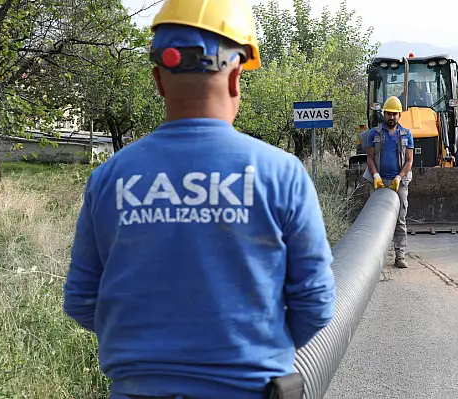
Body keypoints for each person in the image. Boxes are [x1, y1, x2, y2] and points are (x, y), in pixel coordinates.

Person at [62, 0, 336, 398]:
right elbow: (315, 302)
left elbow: (81, 300)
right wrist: (247, 353)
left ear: (158, 80)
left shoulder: (109, 178)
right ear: (236, 77)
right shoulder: (282, 173)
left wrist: (150, 354)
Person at [362, 96, 414, 268]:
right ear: (384, 114)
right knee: (376, 220)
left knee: (400, 219)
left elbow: (409, 161)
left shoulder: (407, 134)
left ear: (399, 115)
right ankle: (373, 259)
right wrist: (376, 176)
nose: (391, 117)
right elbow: (369, 158)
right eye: (388, 114)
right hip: (379, 182)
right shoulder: (374, 133)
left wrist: (399, 177)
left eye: (394, 114)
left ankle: (400, 256)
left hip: (399, 182)